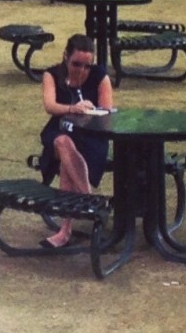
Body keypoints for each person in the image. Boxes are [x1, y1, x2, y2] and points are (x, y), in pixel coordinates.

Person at [37, 34, 114, 249]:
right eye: (76, 64)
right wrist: (73, 109)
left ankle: (65, 230)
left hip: (91, 134)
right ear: (65, 57)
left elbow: (107, 113)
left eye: (87, 65)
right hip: (60, 130)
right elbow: (50, 106)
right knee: (62, 143)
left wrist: (90, 111)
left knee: (66, 162)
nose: (81, 70)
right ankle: (90, 200)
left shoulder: (100, 76)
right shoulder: (52, 75)